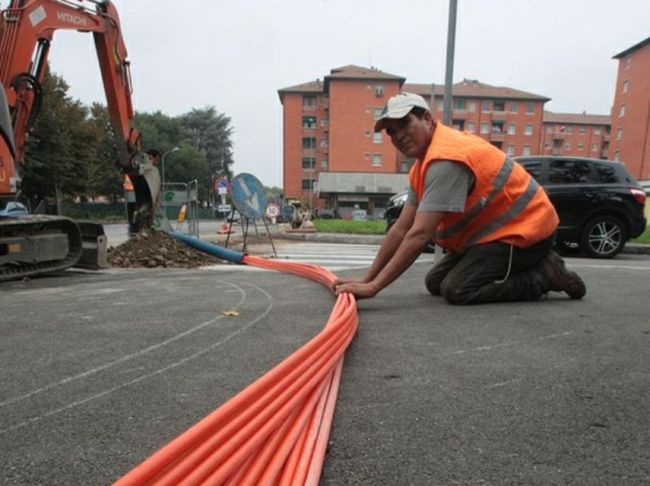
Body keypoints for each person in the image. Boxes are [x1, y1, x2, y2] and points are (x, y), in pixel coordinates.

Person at [334, 92, 586, 304]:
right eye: (391, 131)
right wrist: (366, 279)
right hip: (489, 239)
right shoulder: (422, 167)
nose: (398, 135)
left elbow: (419, 235)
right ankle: (533, 269)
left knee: (458, 290)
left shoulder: (447, 159)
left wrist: (374, 288)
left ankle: (546, 274)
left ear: (427, 119)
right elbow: (401, 229)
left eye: (405, 124)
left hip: (525, 234)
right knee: (435, 283)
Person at [124, 148, 162, 237]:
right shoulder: (148, 169)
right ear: (151, 157)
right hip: (136, 196)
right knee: (138, 215)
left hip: (131, 195)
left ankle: (135, 233)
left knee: (135, 217)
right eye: (156, 160)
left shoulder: (140, 167)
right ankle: (137, 232)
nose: (156, 162)